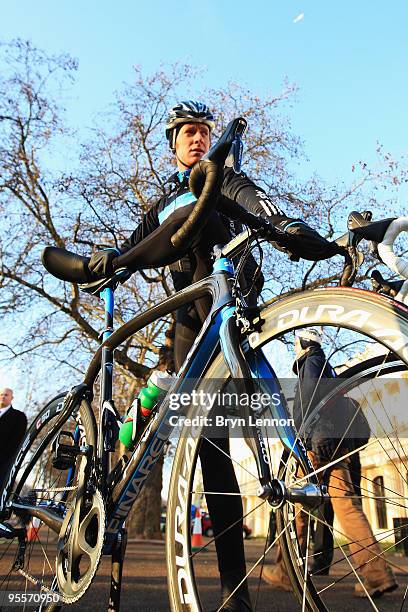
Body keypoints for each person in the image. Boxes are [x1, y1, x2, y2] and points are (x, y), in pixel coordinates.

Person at [87, 101, 342, 611]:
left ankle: (237, 587)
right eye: (187, 132)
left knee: (228, 451)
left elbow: (259, 204)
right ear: (172, 143)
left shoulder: (224, 179)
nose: (197, 138)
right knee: (185, 434)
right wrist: (104, 264)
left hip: (230, 315)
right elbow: (134, 247)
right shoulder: (163, 200)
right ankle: (114, 464)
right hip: (186, 327)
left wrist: (289, 227)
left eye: (203, 130)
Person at [263, 328, 397, 598]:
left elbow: (313, 401)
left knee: (295, 506)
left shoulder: (310, 364)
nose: (294, 348)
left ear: (304, 342)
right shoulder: (326, 365)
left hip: (314, 445)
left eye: (295, 343)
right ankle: (376, 574)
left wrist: (313, 436)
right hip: (335, 446)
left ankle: (286, 572)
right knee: (348, 507)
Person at [0, 388, 27, 489]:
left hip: (3, 466)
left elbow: (16, 444)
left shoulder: (19, 417)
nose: (3, 397)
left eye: (6, 395)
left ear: (12, 398)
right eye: (1, 394)